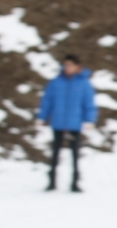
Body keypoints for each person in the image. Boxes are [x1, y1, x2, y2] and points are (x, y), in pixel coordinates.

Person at [37, 55, 97, 192]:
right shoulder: (55, 83)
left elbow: (89, 104)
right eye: (65, 65)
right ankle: (52, 181)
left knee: (75, 155)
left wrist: (89, 120)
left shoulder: (84, 84)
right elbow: (47, 101)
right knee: (55, 154)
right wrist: (42, 117)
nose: (67, 67)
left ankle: (75, 183)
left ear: (77, 67)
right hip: (58, 123)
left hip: (74, 124)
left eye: (70, 65)